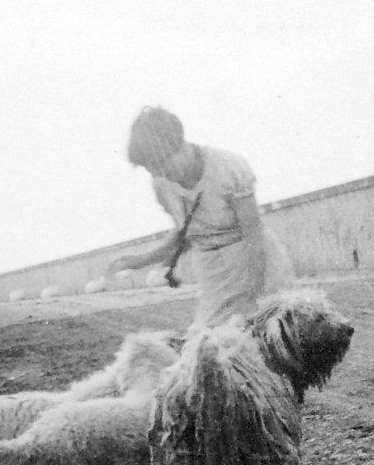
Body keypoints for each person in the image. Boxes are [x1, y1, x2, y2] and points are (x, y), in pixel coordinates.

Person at [108, 106, 295, 328]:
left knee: (275, 333)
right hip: (214, 271)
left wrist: (252, 296)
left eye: (161, 164)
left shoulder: (228, 167)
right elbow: (186, 235)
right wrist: (141, 260)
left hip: (255, 261)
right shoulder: (162, 186)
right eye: (152, 170)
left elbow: (253, 235)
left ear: (178, 144)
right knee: (211, 347)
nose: (160, 174)